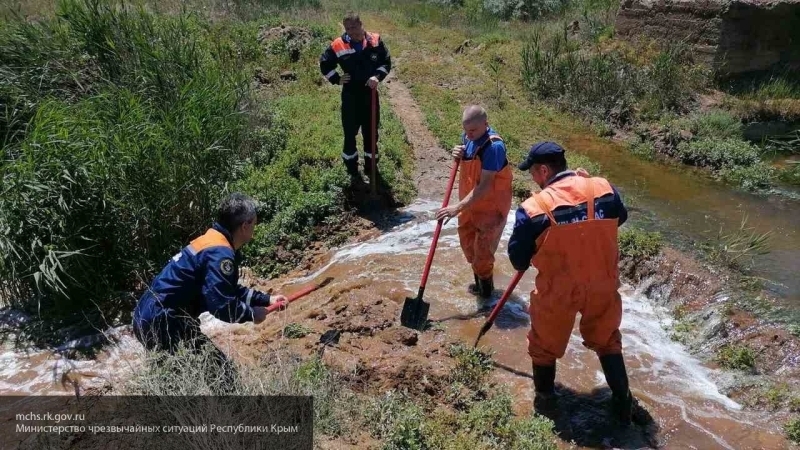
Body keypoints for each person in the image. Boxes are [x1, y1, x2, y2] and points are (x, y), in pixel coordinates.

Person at [507, 141, 634, 424]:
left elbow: (518, 260)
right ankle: (623, 401)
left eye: (533, 173)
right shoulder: (603, 188)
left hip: (559, 290)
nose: (533, 179)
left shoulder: (533, 208)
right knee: (607, 340)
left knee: (543, 345)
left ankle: (546, 402)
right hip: (603, 283)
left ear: (543, 170)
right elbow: (619, 218)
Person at [132, 193, 287, 388]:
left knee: (178, 377)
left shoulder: (213, 239)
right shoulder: (220, 254)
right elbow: (222, 305)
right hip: (163, 320)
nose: (254, 229)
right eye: (254, 224)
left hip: (147, 314)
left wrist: (266, 299)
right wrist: (251, 314)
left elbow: (227, 289)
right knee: (220, 375)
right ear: (245, 226)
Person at [435, 105, 513, 298]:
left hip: (491, 209)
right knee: (469, 249)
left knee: (482, 256)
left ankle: (487, 298)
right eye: (465, 130)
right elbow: (468, 162)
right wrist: (457, 154)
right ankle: (480, 286)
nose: (468, 135)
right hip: (471, 206)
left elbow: (485, 185)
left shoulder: (494, 147)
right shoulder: (467, 139)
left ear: (486, 125)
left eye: (472, 131)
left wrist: (456, 208)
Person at [319, 12, 392, 182]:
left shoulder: (375, 40)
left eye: (354, 27)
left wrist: (377, 77)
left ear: (361, 24)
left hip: (370, 95)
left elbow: (385, 62)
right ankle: (351, 168)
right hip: (350, 96)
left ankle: (371, 165)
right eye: (347, 28)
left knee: (371, 132)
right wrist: (337, 79)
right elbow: (325, 63)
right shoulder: (338, 44)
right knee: (350, 132)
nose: (351, 31)